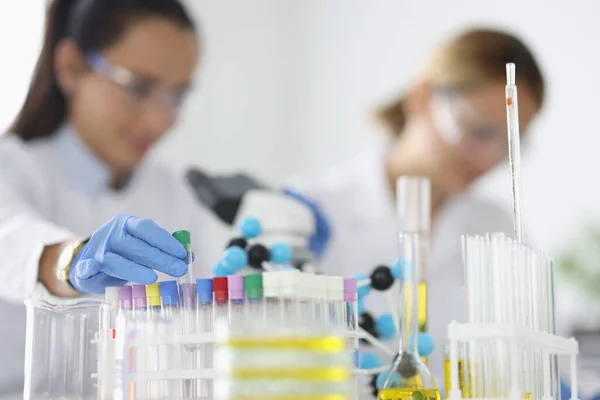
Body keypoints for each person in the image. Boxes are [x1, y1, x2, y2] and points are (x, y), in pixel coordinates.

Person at [0, 0, 327, 394]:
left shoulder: (174, 194)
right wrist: (70, 260)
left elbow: (222, 293)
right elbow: (11, 239)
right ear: (71, 67)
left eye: (178, 95)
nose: (161, 120)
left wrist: (283, 258)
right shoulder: (13, 167)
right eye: (139, 87)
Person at [288, 27, 545, 389]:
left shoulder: (496, 224)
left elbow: (529, 359)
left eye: (508, 145)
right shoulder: (312, 209)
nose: (489, 158)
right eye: (479, 131)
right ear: (423, 97)